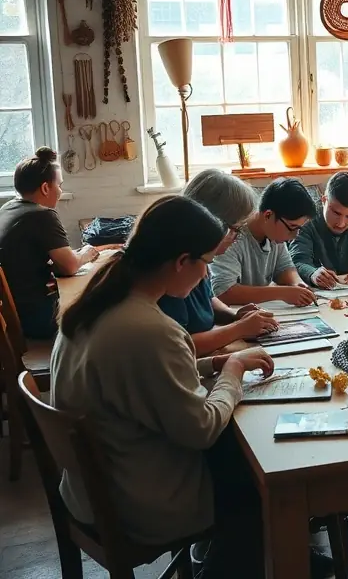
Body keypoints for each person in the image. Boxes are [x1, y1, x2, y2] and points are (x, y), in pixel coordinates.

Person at [50, 196, 275, 577]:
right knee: (257, 483)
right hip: (138, 501)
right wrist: (234, 370)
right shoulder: (149, 328)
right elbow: (200, 428)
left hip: (91, 490)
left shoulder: (97, 302)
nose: (206, 275)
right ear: (181, 261)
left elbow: (143, 378)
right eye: (204, 262)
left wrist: (213, 363)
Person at [159, 169, 278, 355]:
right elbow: (180, 347)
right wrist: (239, 328)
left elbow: (208, 299)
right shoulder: (177, 270)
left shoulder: (200, 259)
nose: (235, 238)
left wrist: (235, 316)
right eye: (236, 230)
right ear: (213, 222)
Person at [0, 147, 97, 339]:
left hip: (10, 314)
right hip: (31, 316)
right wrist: (87, 252)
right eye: (59, 185)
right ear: (45, 188)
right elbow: (69, 266)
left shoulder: (8, 207)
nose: (60, 191)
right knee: (102, 311)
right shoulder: (42, 215)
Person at [210, 177, 317, 307]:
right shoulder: (231, 237)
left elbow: (284, 267)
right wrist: (283, 293)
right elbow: (223, 292)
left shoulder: (274, 235)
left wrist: (297, 284)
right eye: (292, 228)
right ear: (268, 215)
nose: (294, 236)